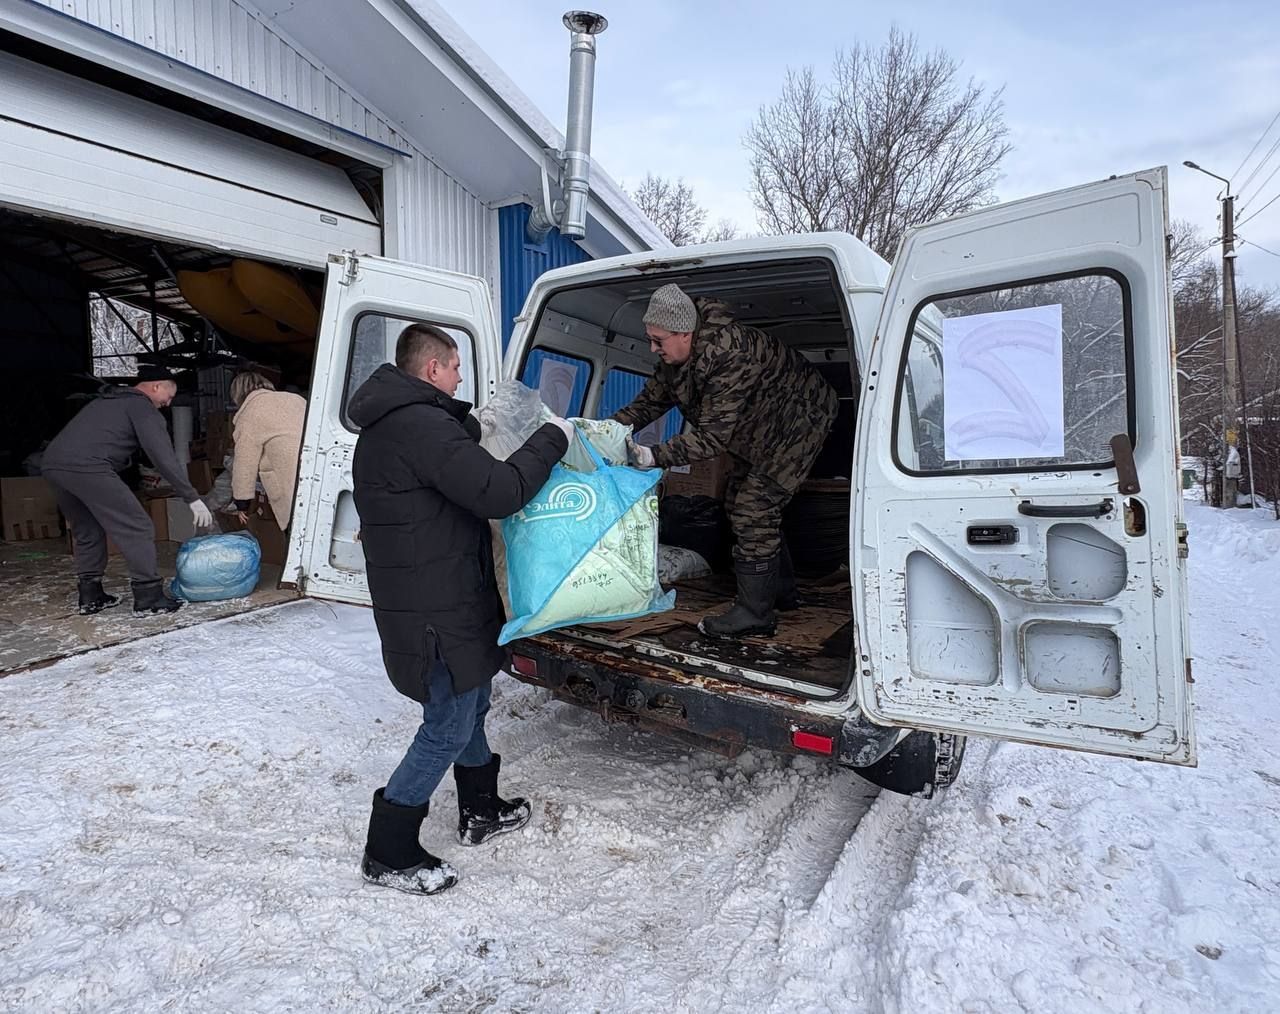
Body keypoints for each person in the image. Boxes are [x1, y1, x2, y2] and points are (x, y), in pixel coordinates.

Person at [349, 323, 573, 896]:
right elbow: (499, 490)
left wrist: (476, 421)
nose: (459, 376)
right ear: (431, 371)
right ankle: (389, 847)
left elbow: (449, 449)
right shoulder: (420, 427)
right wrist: (551, 439)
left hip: (438, 592)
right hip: (432, 606)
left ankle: (480, 808)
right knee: (448, 721)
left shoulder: (405, 423)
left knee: (471, 701)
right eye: (454, 367)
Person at [613, 283, 838, 639]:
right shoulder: (675, 359)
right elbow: (648, 404)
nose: (653, 348)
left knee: (753, 507)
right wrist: (605, 430)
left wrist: (653, 455)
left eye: (658, 340)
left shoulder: (730, 353)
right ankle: (780, 594)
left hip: (799, 420)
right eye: (650, 339)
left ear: (685, 333)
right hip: (759, 426)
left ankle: (755, 614)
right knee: (738, 501)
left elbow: (713, 438)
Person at [42, 365, 213, 615]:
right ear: (156, 386)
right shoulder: (141, 407)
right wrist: (192, 497)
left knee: (87, 528)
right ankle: (149, 597)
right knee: (137, 525)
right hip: (88, 466)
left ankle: (90, 595)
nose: (168, 403)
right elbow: (163, 457)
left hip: (53, 465)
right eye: (170, 395)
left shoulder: (109, 401)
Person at [228, 371, 306, 529]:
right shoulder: (296, 400)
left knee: (297, 535)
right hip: (316, 472)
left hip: (288, 481)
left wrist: (242, 503)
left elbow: (245, 462)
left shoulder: (250, 412)